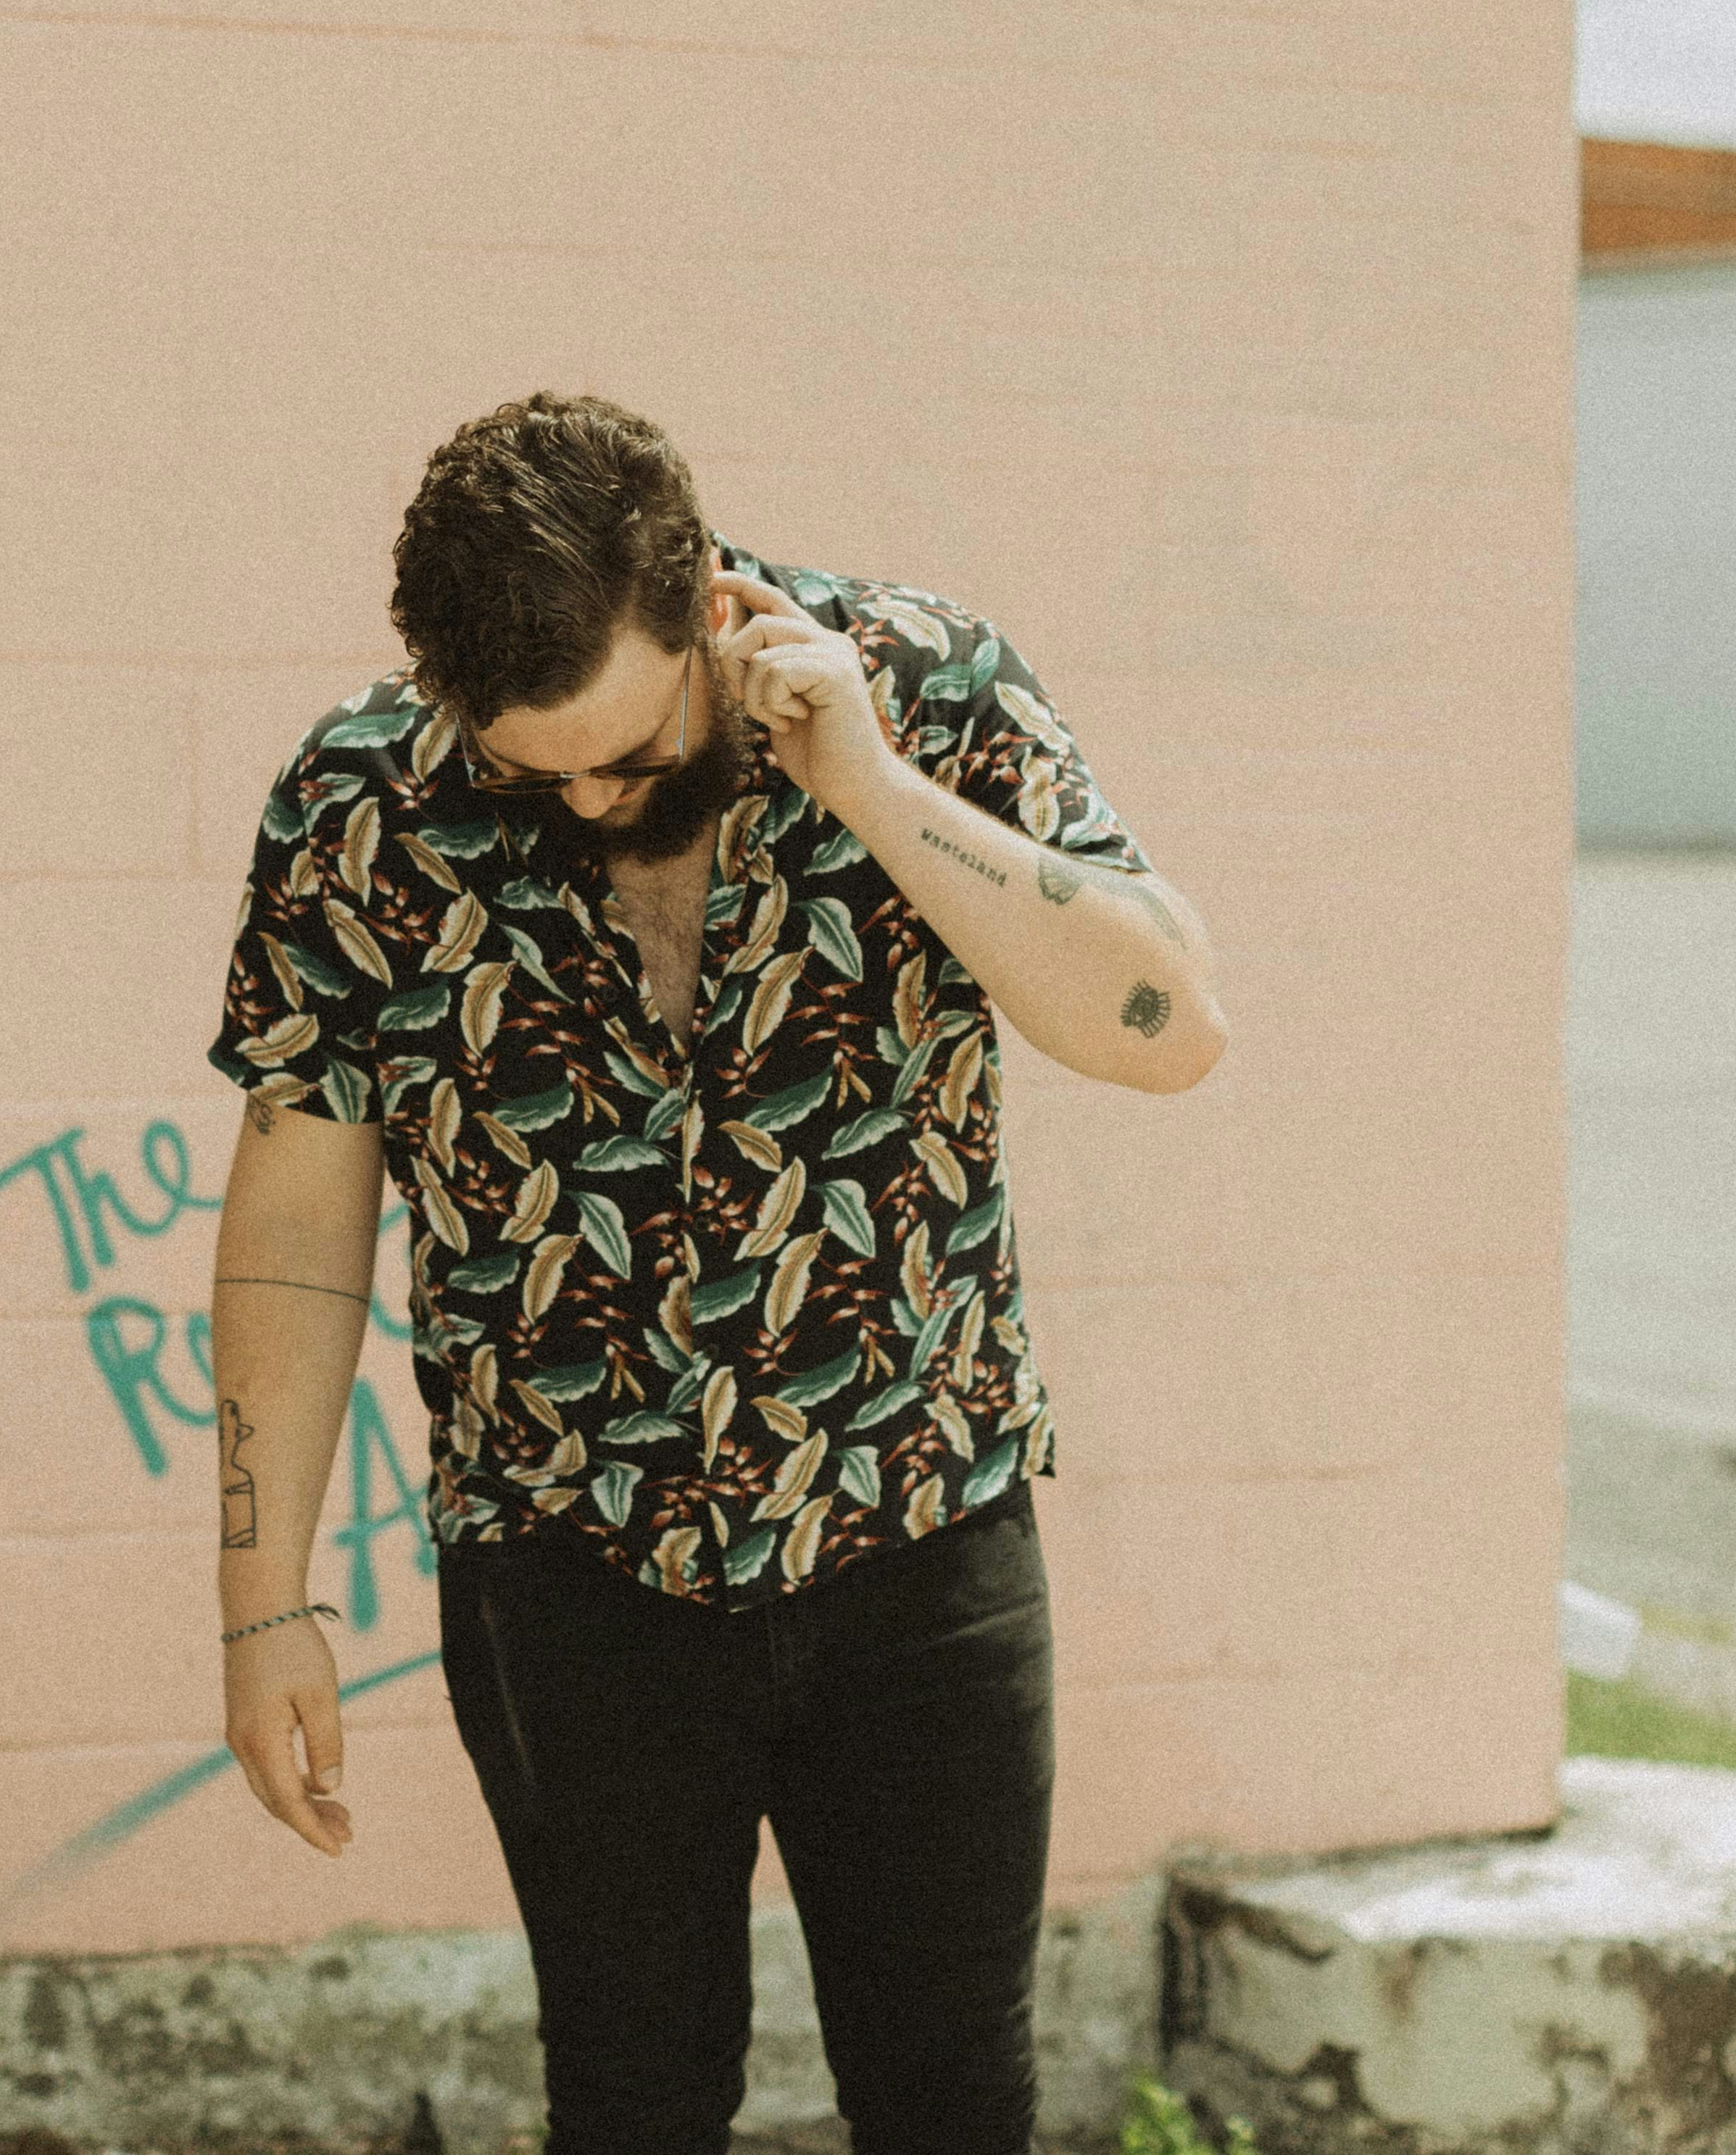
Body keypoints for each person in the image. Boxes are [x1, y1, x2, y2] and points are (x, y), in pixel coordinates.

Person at [207, 393, 1229, 2155]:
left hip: (918, 1534)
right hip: (568, 1568)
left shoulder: (924, 685)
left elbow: (1165, 1023)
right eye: (535, 770)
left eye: (626, 743)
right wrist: (259, 1592)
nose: (592, 794)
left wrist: (875, 791)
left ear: (704, 601)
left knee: (949, 2102)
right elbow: (300, 1228)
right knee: (628, 2103)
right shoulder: (360, 804)